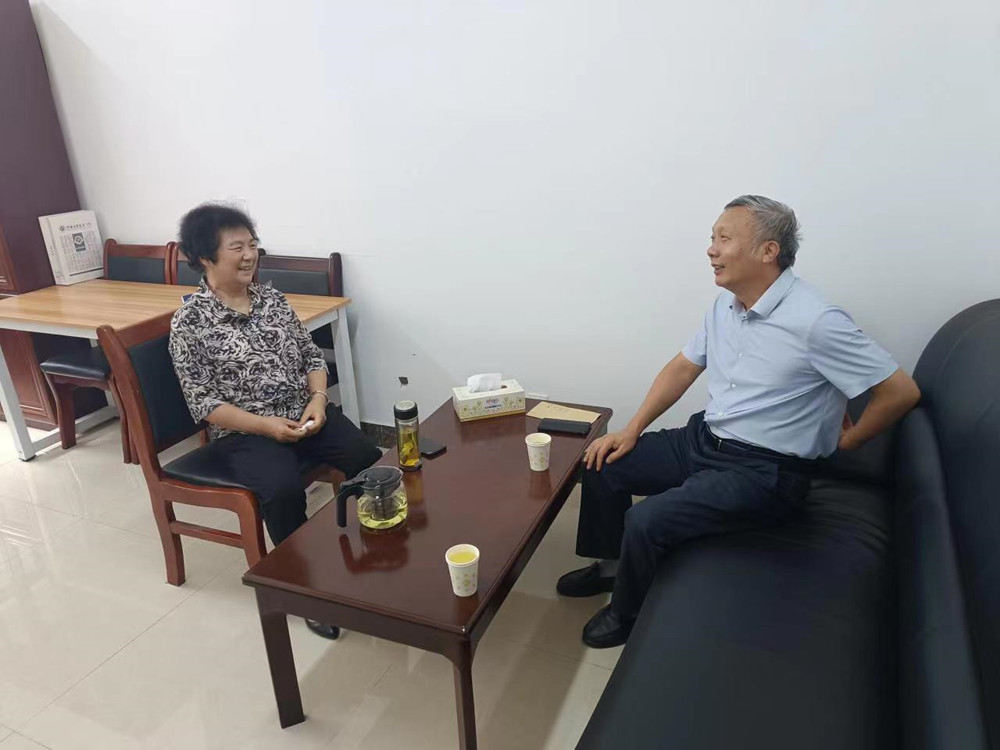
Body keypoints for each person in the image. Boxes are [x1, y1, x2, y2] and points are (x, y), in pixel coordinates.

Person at [558, 195, 921, 649]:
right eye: (712, 238)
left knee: (648, 519)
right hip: (705, 439)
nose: (711, 249)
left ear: (769, 251)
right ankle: (611, 567)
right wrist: (631, 430)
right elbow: (682, 368)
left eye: (724, 238)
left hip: (766, 471)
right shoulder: (725, 305)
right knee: (603, 464)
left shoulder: (816, 320)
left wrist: (849, 442)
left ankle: (626, 613)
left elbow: (900, 391)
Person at [168, 203, 381, 640]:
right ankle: (305, 589)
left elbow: (311, 357)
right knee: (282, 491)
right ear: (205, 257)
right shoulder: (190, 322)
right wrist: (266, 426)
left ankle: (374, 549)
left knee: (368, 457)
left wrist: (318, 400)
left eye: (252, 245)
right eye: (236, 248)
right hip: (246, 432)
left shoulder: (272, 299)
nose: (250, 255)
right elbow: (203, 403)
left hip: (304, 413)